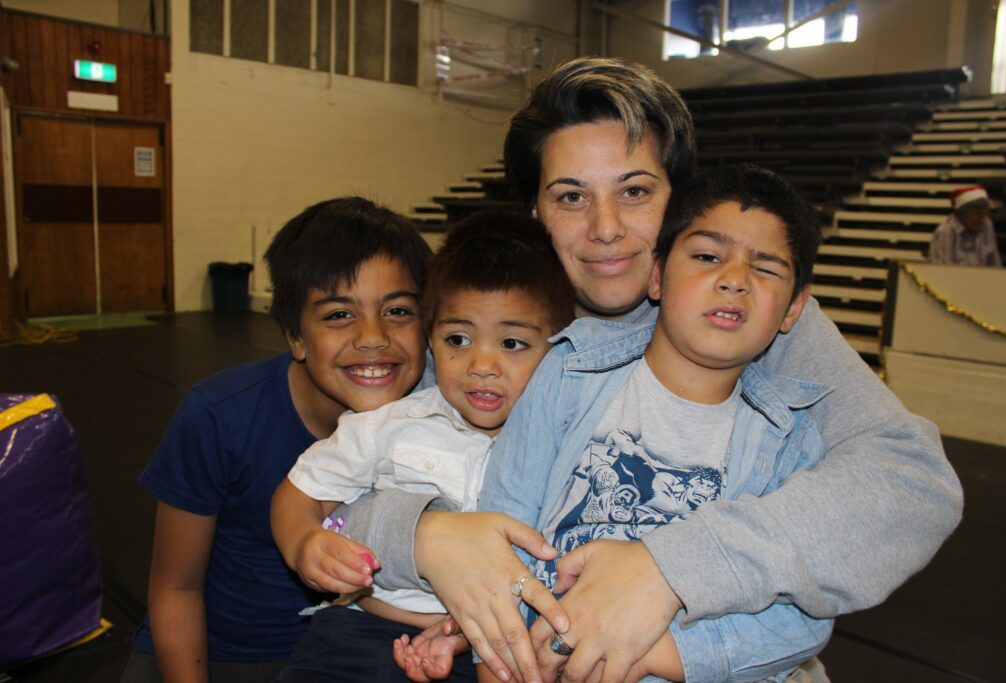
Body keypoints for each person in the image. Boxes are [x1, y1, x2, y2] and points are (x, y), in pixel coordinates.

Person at [325, 57, 963, 683]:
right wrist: (426, 534)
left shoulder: (748, 318)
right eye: (571, 196)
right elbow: (352, 489)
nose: (606, 229)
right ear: (535, 214)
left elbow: (912, 485)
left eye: (634, 192)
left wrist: (668, 568)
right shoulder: (496, 327)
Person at [400, 164, 836, 683]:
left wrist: (654, 652)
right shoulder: (569, 370)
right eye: (706, 256)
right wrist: (502, 661)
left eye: (765, 269)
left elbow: (805, 616)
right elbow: (505, 524)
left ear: (793, 309)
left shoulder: (791, 440)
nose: (735, 279)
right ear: (656, 275)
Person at [121, 197, 433, 683]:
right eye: (337, 315)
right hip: (221, 654)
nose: (373, 337)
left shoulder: (447, 415)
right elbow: (175, 590)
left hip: (354, 652)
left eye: (397, 310)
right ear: (295, 336)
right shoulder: (220, 416)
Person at [269, 211, 576, 682]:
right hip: (369, 629)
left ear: (557, 348)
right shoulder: (392, 424)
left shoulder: (567, 445)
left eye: (513, 343)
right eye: (458, 338)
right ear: (430, 340)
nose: (482, 364)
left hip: (494, 648)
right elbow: (301, 492)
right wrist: (305, 542)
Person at [928, 184, 1002, 266]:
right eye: (978, 214)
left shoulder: (987, 224)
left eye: (985, 213)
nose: (983, 219)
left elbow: (995, 263)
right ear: (961, 214)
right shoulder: (945, 232)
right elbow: (943, 271)